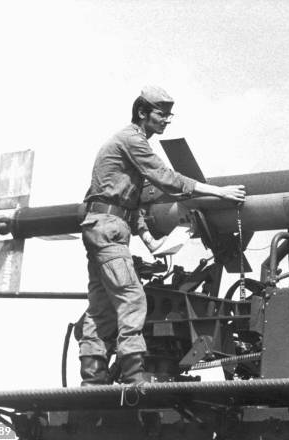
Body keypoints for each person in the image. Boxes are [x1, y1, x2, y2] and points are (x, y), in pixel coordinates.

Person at [79, 86, 245, 386]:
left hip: (103, 226)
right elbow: (166, 179)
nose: (167, 120)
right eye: (161, 114)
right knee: (132, 299)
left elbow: (132, 202)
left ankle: (92, 378)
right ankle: (133, 376)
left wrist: (149, 240)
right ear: (142, 112)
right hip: (109, 229)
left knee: (100, 307)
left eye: (170, 115)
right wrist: (216, 191)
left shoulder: (126, 145)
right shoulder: (132, 140)